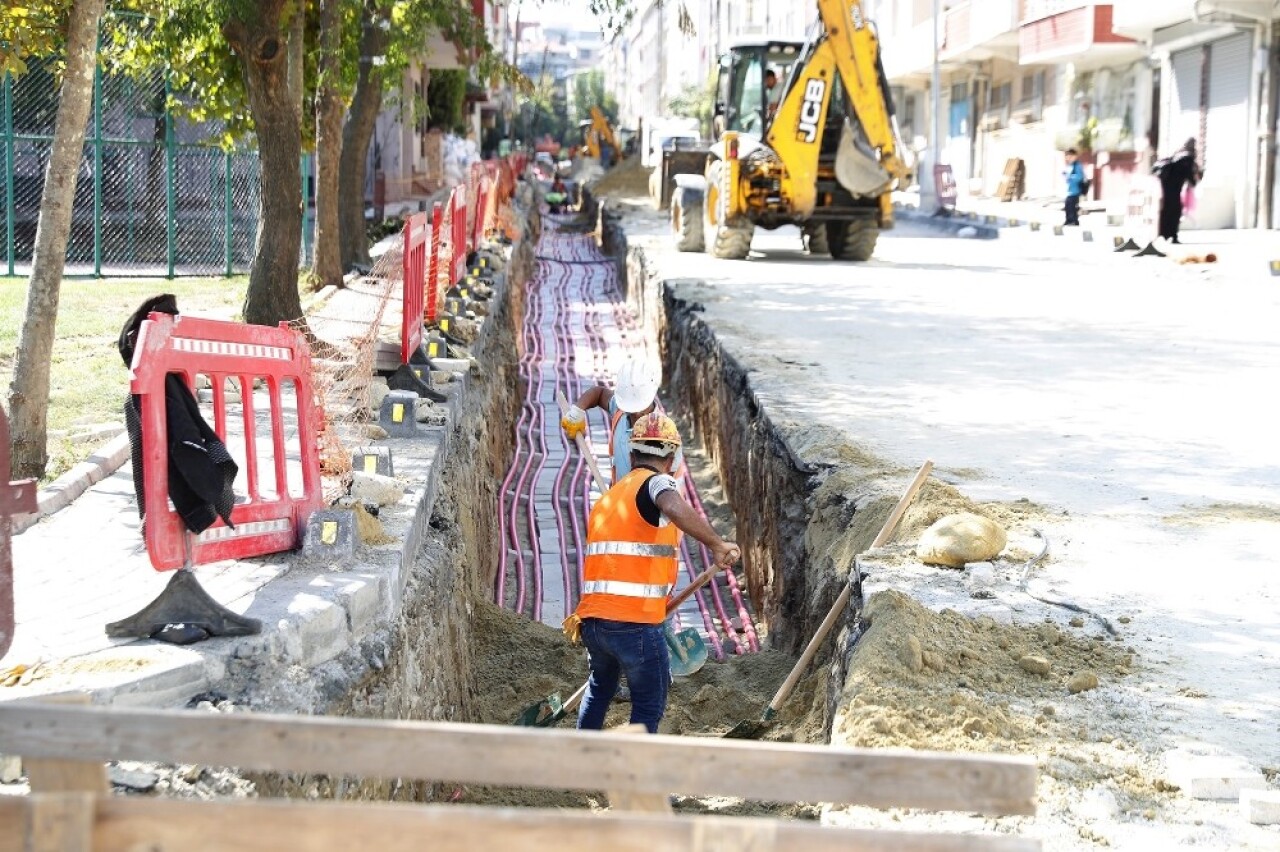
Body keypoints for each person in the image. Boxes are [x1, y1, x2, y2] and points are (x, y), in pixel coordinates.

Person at [570, 413, 740, 734]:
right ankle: (634, 772)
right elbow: (673, 505)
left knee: (600, 686)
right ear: (673, 458)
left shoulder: (607, 500)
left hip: (592, 623)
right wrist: (717, 544)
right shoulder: (657, 483)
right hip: (633, 625)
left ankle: (582, 760)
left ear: (631, 454)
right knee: (650, 699)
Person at [561, 355, 684, 484]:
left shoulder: (665, 435)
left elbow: (672, 488)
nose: (635, 415)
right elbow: (599, 393)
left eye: (640, 410)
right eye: (631, 411)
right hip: (618, 497)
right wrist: (577, 411)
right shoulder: (620, 411)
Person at [1155, 138, 1202, 244]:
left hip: (1165, 186)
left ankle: (1163, 233)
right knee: (1175, 211)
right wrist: (1193, 182)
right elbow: (1189, 176)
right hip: (1174, 188)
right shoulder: (1187, 158)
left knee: (1166, 211)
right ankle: (1172, 235)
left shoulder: (1178, 154)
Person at [1062, 148, 1085, 226]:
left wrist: (1070, 177)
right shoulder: (1069, 165)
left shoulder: (1077, 165)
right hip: (1068, 190)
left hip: (1075, 190)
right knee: (1067, 206)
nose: (1068, 157)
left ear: (1074, 156)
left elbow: (1080, 176)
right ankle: (1068, 220)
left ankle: (1074, 221)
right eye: (1067, 155)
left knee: (1073, 207)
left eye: (1070, 155)